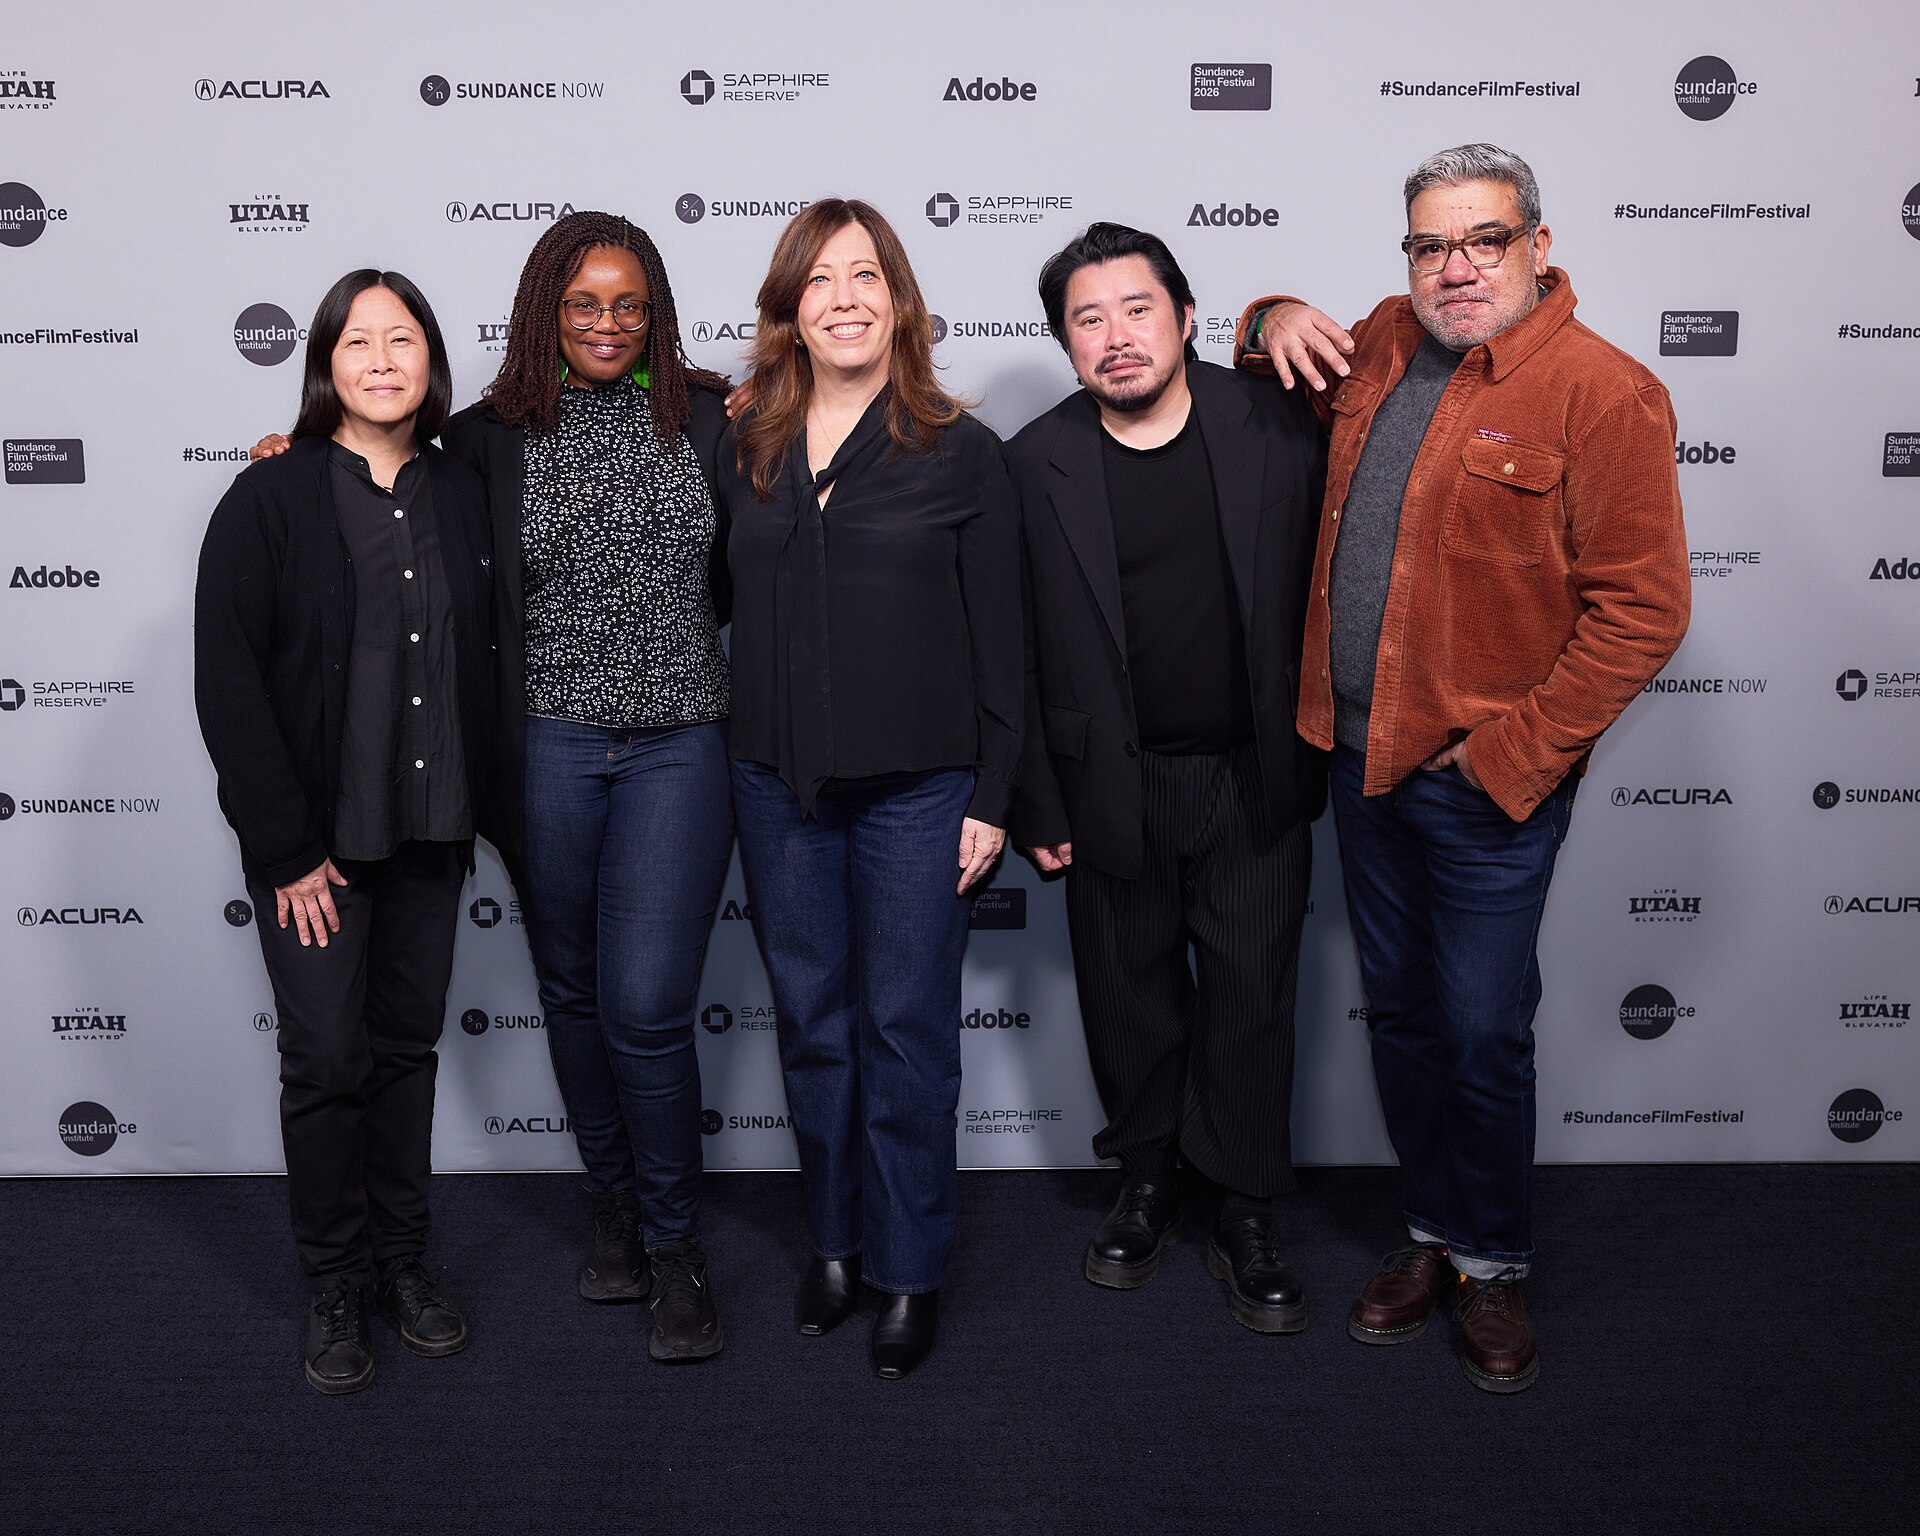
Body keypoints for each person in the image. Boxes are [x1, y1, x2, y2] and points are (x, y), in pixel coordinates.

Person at [1236, 144, 1690, 1391]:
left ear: (1538, 245)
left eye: (1483, 240)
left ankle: (1494, 1261)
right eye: (1431, 244)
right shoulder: (1383, 339)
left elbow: (1642, 612)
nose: (1456, 268)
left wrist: (1512, 758)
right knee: (1405, 1017)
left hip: (1485, 782)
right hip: (1357, 762)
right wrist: (1267, 309)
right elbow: (1260, 343)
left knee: (1485, 1031)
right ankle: (1430, 1235)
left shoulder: (1606, 394)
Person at [254, 213, 736, 1365]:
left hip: (683, 743)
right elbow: (375, 477)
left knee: (648, 1005)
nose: (608, 324)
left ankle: (674, 1246)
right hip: (543, 749)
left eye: (630, 304)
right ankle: (612, 1211)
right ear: (543, 314)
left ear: (655, 311)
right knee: (571, 989)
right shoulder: (484, 438)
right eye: (582, 304)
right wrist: (288, 456)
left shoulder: (714, 420)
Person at [719, 198, 1023, 1379]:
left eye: (865, 276)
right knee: (813, 1025)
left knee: (904, 1030)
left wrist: (994, 794)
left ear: (898, 298)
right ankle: (835, 1245)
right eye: (820, 280)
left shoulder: (962, 451)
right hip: (773, 782)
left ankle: (906, 1268)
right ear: (791, 310)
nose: (844, 298)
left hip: (920, 791)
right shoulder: (742, 443)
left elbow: (1006, 645)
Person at [1006, 225, 1326, 1334]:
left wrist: (1278, 307)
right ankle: (1145, 1178)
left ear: (1188, 318)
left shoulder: (1279, 424)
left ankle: (1244, 1205)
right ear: (1065, 342)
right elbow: (1014, 652)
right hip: (1110, 786)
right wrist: (1036, 802)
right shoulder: (1032, 460)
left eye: (1136, 310)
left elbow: (1389, 370)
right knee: (1126, 993)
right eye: (1087, 320)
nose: (1115, 338)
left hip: (1254, 775)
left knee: (1250, 998)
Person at [196, 269, 495, 1395]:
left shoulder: (463, 490)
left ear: (430, 361)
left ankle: (402, 1266)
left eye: (403, 339)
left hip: (429, 830)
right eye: (358, 341)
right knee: (327, 1062)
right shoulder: (268, 498)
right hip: (314, 848)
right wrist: (281, 851)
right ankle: (334, 1280)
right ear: (324, 364)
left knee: (407, 1055)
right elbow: (229, 683)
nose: (382, 360)